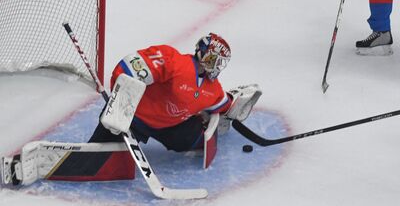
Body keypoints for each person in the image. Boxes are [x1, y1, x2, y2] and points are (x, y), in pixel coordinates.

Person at [2, 33, 261, 186]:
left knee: (192, 140)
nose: (217, 66)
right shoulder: (174, 62)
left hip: (171, 128)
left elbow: (223, 105)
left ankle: (195, 132)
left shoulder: (212, 89)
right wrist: (124, 93)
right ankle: (26, 166)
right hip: (131, 117)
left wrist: (231, 109)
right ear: (202, 52)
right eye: (214, 58)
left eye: (221, 62)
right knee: (98, 157)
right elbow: (128, 67)